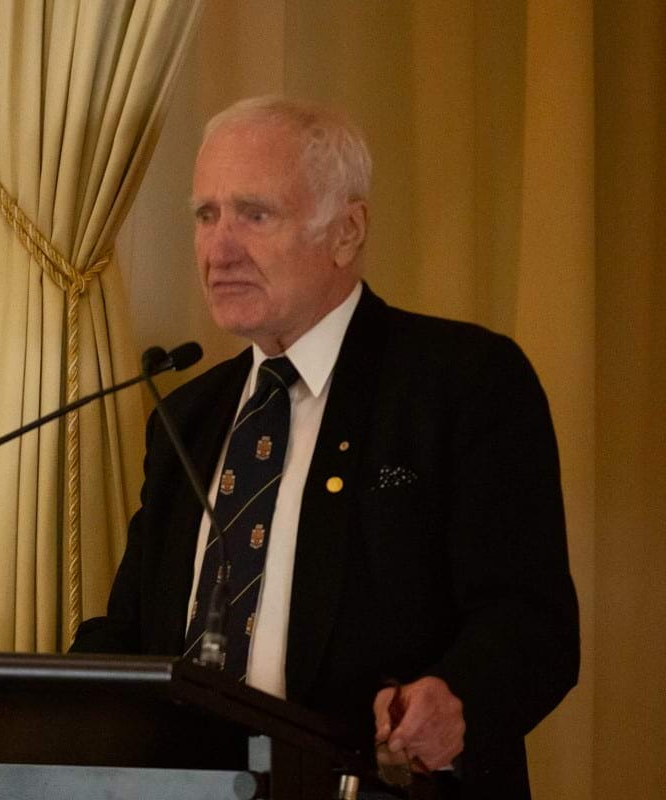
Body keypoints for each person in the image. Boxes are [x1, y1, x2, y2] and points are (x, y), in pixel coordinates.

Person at [70, 97, 579, 799]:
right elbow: (133, 629)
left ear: (347, 231)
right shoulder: (187, 414)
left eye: (255, 214)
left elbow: (531, 623)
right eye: (205, 214)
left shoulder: (462, 381)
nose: (219, 249)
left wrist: (453, 701)